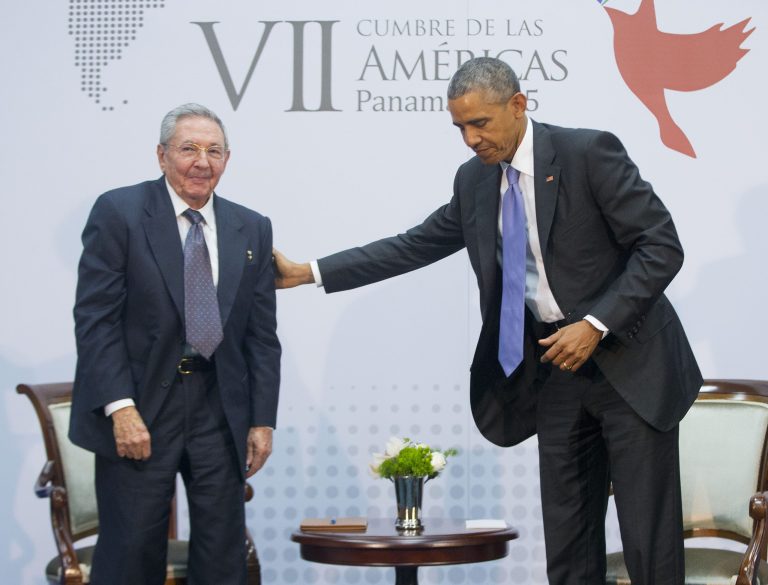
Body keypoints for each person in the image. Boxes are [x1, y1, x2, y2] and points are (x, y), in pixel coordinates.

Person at [273, 58, 701, 585]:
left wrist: (595, 323)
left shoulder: (588, 153)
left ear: (518, 105)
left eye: (480, 123)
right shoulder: (474, 181)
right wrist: (308, 272)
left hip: (630, 365)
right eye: (460, 127)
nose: (470, 139)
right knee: (569, 542)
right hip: (555, 371)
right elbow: (412, 245)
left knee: (647, 541)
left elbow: (660, 246)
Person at [70, 103, 281, 585]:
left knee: (223, 556)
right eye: (189, 149)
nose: (202, 161)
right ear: (162, 155)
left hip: (219, 409)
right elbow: (96, 320)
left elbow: (261, 336)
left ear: (228, 159)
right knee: (130, 554)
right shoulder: (120, 212)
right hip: (142, 407)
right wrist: (120, 408)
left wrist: (262, 419)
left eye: (214, 151)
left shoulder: (251, 226)